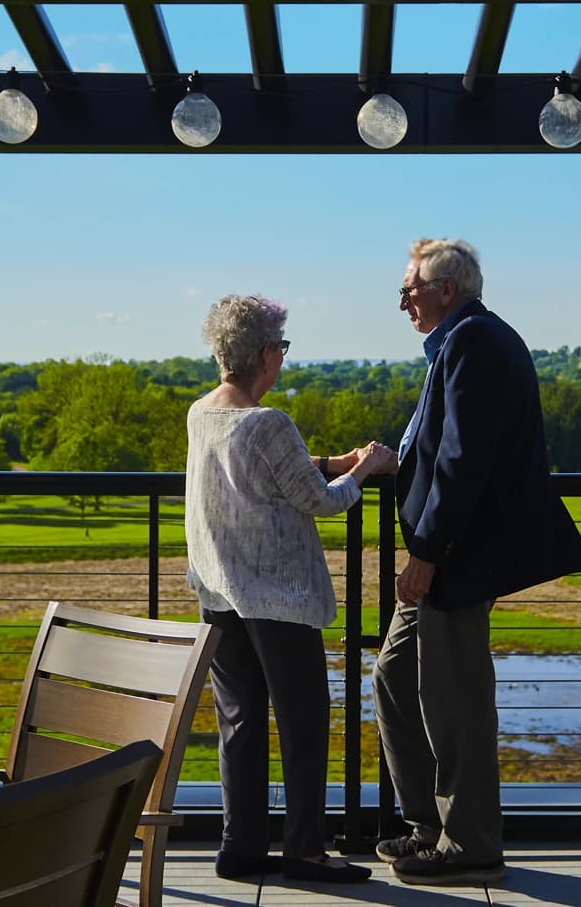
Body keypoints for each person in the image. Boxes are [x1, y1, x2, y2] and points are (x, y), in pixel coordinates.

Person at [372, 239, 581, 886]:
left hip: (457, 558)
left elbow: (462, 464)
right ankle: (427, 826)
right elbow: (443, 451)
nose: (402, 298)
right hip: (447, 555)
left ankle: (468, 842)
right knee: (394, 677)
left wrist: (428, 555)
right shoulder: (462, 342)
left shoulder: (475, 343)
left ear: (448, 288)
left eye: (410, 286)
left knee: (455, 698)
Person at [184, 294, 396, 885]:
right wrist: (366, 466)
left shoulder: (203, 412)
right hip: (276, 598)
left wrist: (330, 458)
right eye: (281, 347)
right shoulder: (269, 421)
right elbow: (319, 501)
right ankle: (304, 851)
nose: (282, 358)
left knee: (241, 722)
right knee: (303, 725)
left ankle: (241, 848)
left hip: (220, 596)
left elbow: (274, 470)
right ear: (262, 354)